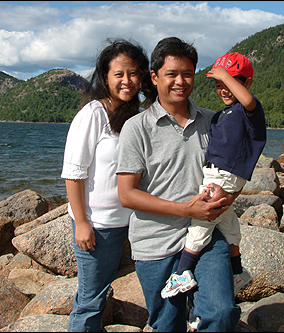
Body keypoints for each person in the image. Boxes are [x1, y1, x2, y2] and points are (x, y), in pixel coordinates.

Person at [117, 37, 241, 331]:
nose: (180, 81)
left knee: (221, 313)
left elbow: (233, 171)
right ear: (154, 76)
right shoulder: (137, 128)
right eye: (172, 74)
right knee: (167, 324)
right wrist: (186, 209)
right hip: (155, 243)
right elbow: (127, 194)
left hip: (207, 237)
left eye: (187, 74)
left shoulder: (215, 122)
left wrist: (230, 196)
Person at [61, 38, 155, 332]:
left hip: (134, 223)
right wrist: (81, 223)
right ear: (105, 77)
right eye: (119, 74)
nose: (127, 81)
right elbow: (73, 173)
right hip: (100, 226)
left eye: (134, 73)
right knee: (91, 301)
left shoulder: (136, 117)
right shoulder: (93, 114)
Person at [161, 52, 267, 299]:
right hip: (218, 174)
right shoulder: (226, 113)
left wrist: (224, 75)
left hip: (223, 176)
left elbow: (249, 102)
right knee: (227, 221)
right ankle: (237, 272)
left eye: (231, 83)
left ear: (246, 84)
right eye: (219, 85)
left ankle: (183, 272)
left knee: (201, 221)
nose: (224, 89)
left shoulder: (248, 110)